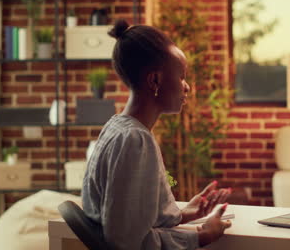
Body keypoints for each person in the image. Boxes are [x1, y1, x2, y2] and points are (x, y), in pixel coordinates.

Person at [81, 19, 232, 250]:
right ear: (155, 80)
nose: (187, 86)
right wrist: (202, 237)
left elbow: (127, 218)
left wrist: (180, 214)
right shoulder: (135, 141)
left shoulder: (115, 128)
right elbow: (127, 243)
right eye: (181, 76)